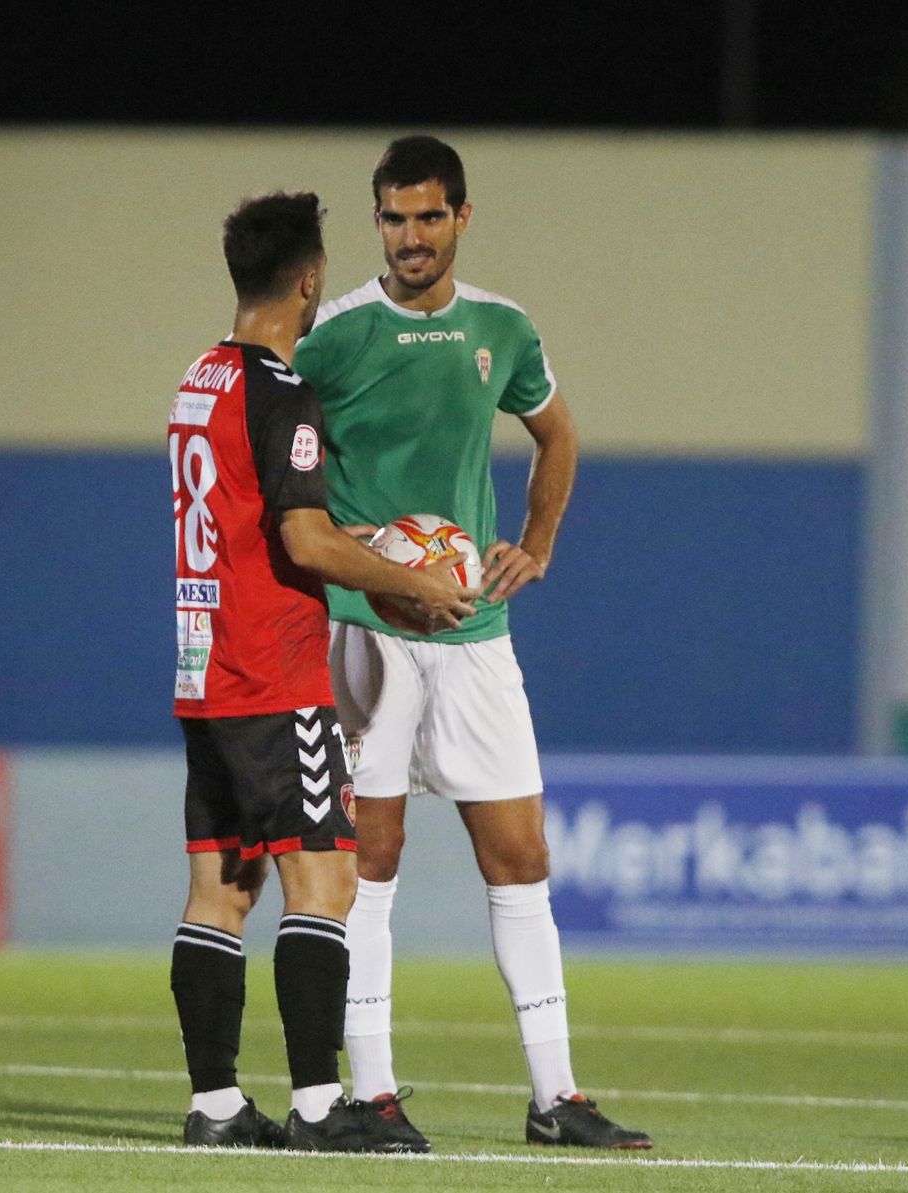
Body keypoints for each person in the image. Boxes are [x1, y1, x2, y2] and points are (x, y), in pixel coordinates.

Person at [292, 135, 652, 1151]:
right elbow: (270, 457)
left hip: (473, 629)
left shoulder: (501, 327)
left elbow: (558, 434)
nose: (409, 236)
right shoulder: (333, 335)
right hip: (367, 626)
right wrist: (333, 535)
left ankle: (556, 1097)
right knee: (372, 853)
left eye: (427, 217)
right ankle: (374, 1090)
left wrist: (534, 542)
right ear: (378, 223)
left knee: (520, 852)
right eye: (393, 218)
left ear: (460, 217)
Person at [167, 189, 478, 1151]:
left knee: (220, 888)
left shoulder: (198, 379)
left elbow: (261, 521)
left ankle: (216, 1106)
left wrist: (357, 550)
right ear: (308, 282)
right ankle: (315, 1105)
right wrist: (410, 580)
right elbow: (301, 538)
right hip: (273, 671)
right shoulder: (279, 388)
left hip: (203, 664)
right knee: (325, 879)